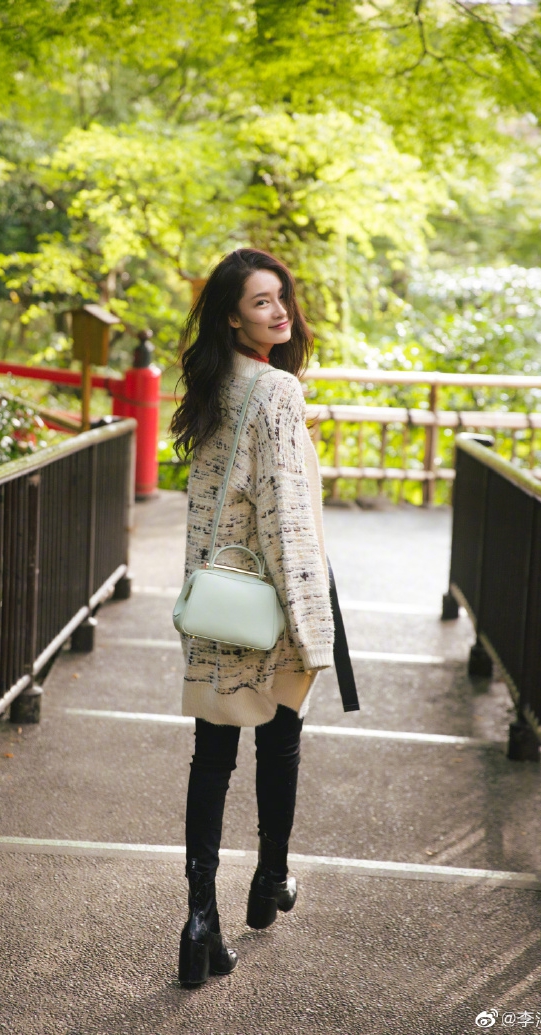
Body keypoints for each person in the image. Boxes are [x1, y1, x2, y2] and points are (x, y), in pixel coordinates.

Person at [171, 247, 359, 988]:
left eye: (281, 297)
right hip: (271, 602)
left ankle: (199, 922)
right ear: (232, 316)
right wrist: (311, 626)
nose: (279, 311)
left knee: (211, 758)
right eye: (260, 301)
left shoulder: (213, 383)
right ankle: (270, 878)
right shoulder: (277, 389)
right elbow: (285, 517)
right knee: (280, 741)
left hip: (220, 599)